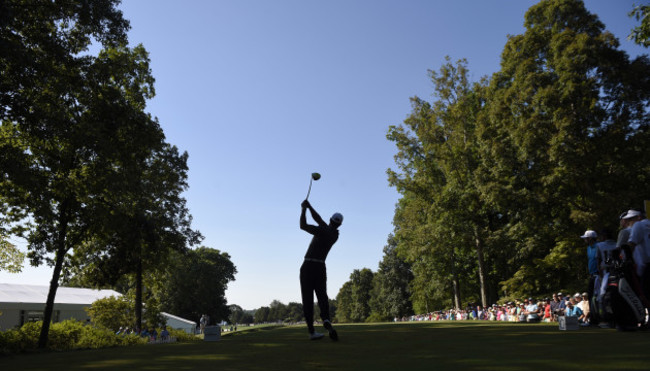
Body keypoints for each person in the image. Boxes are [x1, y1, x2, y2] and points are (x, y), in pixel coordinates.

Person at [299, 199, 342, 341]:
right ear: (339, 224)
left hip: (308, 266)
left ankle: (312, 332)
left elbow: (303, 225)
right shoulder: (335, 234)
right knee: (322, 296)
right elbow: (319, 220)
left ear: (330, 220)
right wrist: (309, 206)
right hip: (320, 267)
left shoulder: (323, 230)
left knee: (308, 299)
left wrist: (304, 209)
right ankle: (326, 320)